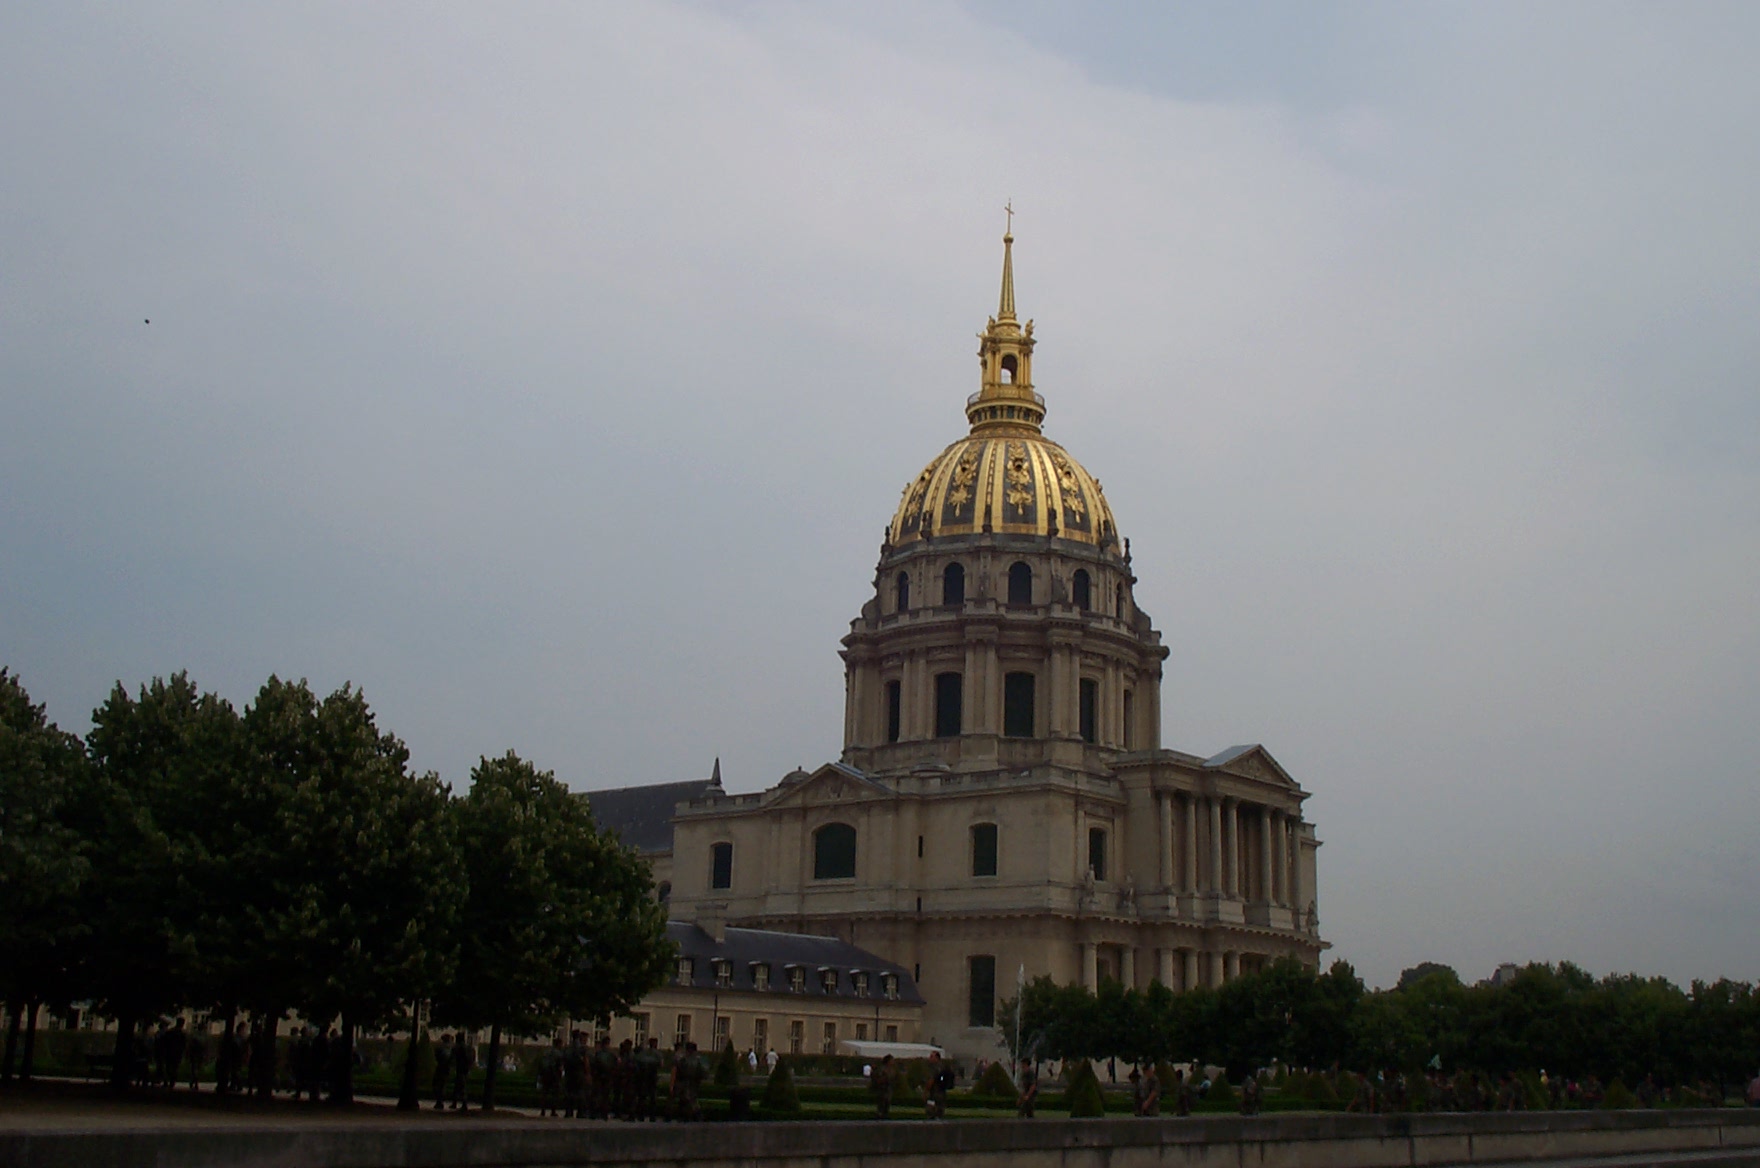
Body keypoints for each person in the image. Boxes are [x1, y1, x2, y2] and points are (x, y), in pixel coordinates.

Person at [672, 1041, 705, 1121]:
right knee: (692, 1099)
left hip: (686, 1082)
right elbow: (702, 1072)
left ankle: (689, 1115)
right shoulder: (699, 1060)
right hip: (694, 1083)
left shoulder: (684, 1060)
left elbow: (679, 1071)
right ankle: (695, 1115)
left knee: (686, 1099)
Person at [633, 1036, 662, 1121]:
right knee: (652, 1098)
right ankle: (652, 1116)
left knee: (642, 1097)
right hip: (652, 1077)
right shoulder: (658, 1054)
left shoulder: (643, 1053)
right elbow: (661, 1064)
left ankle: (641, 1115)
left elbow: (636, 1061)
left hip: (643, 1077)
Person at [563, 1031, 588, 1119]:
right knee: (580, 1092)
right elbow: (585, 1061)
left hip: (569, 1073)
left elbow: (564, 1060)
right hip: (579, 1072)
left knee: (569, 1092)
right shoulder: (582, 1048)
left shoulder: (567, 1048)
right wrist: (587, 1073)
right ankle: (580, 1112)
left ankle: (568, 1111)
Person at [537, 1038, 564, 1117]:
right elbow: (560, 1067)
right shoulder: (559, 1054)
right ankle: (553, 1111)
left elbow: (541, 1064)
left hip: (545, 1075)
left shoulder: (546, 1052)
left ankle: (543, 1110)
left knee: (544, 1093)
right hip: (554, 1075)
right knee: (555, 1094)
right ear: (558, 1044)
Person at [923, 1050, 954, 1119]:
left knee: (931, 1110)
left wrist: (926, 1091)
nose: (930, 1058)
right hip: (941, 1092)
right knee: (939, 1111)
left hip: (934, 1092)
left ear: (937, 1058)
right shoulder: (943, 1067)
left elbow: (931, 1080)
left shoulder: (935, 1068)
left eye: (932, 1056)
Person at [452, 1033, 475, 1110]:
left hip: (460, 1069)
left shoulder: (459, 1048)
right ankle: (456, 1103)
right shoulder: (468, 1048)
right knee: (460, 1086)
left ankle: (462, 1103)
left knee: (460, 1087)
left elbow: (455, 1058)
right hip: (465, 1069)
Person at [431, 1033, 453, 1110]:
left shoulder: (440, 1048)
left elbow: (436, 1056)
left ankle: (439, 1101)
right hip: (446, 1069)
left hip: (440, 1068)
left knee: (437, 1085)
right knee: (442, 1085)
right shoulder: (450, 1049)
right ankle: (440, 1101)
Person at [871, 1054, 896, 1119]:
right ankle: (880, 1114)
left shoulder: (892, 1070)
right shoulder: (882, 1069)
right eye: (892, 1060)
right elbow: (878, 1079)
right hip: (882, 1089)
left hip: (889, 1089)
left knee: (887, 1103)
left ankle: (885, 1114)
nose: (893, 1062)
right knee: (882, 1102)